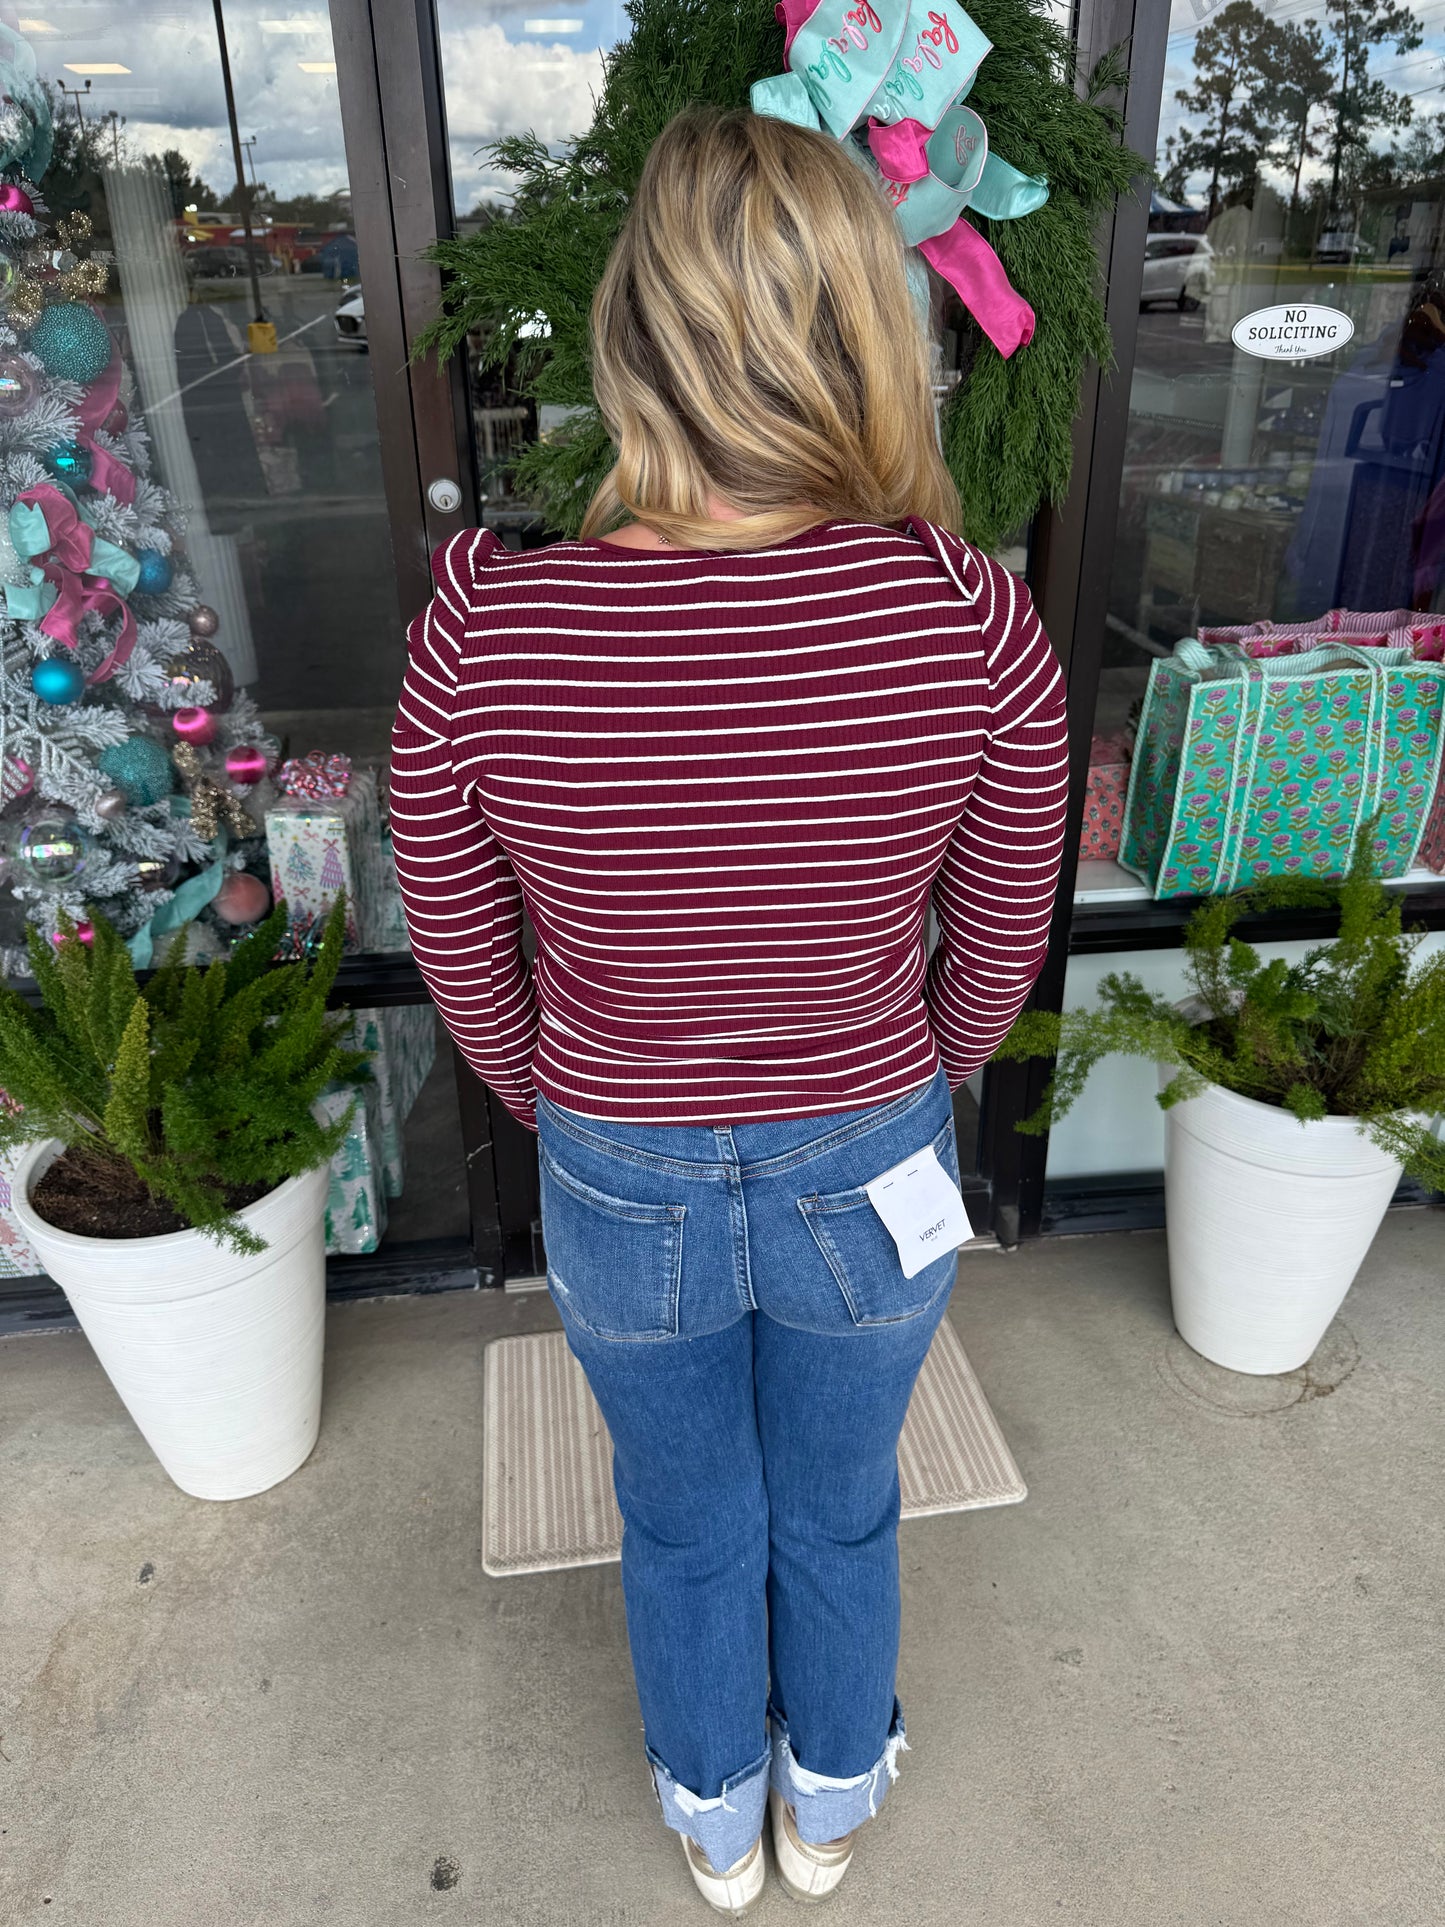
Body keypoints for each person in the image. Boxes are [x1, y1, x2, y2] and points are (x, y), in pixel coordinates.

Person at [390, 106, 1068, 1917]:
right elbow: (1007, 912)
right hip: (868, 1137)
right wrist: (942, 1058)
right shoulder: (963, 621)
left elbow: (448, 899)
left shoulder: (491, 627)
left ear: (629, 343)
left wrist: (536, 1076)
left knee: (685, 1512)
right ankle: (828, 1796)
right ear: (869, 343)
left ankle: (712, 1814)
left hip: (617, 1152)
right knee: (837, 1499)